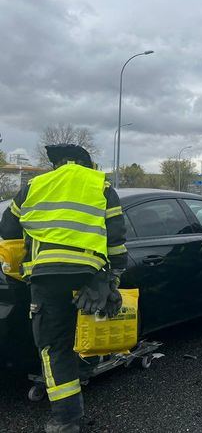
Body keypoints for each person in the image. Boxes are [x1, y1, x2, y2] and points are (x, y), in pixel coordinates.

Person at [0, 144, 127, 433]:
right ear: (88, 164)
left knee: (54, 345)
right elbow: (117, 237)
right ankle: (86, 365)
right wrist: (113, 276)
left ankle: (66, 420)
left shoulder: (35, 185)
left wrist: (23, 267)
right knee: (92, 319)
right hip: (90, 272)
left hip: (46, 276)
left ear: (56, 165)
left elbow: (8, 230)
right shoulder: (101, 185)